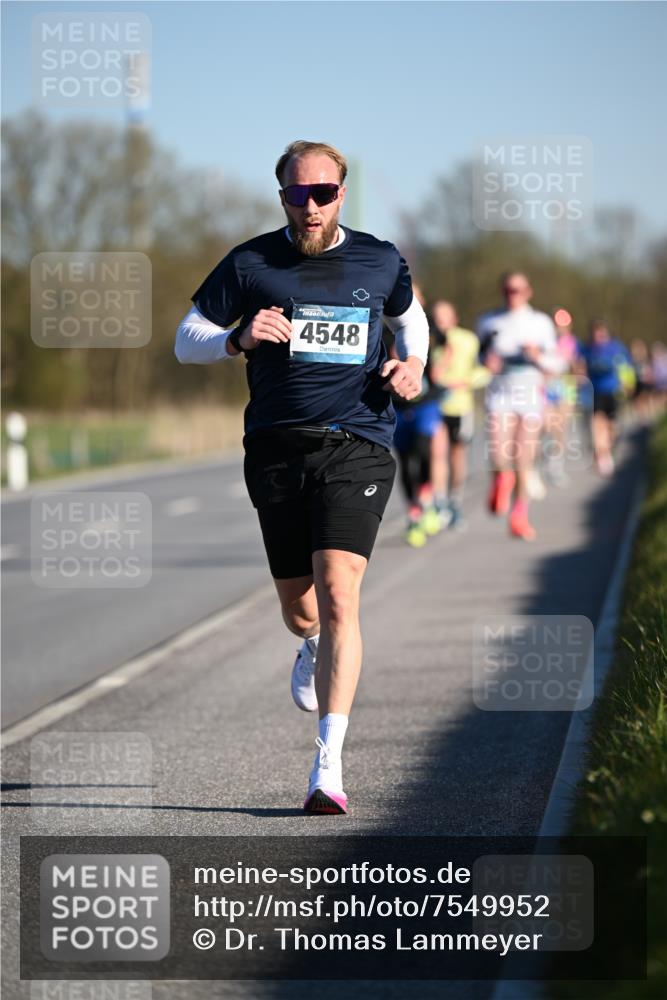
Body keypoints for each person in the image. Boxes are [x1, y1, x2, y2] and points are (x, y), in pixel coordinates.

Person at [175, 140, 429, 814]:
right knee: (302, 609)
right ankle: (310, 644)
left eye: (323, 193)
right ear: (281, 194)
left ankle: (328, 769)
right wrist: (236, 338)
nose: (310, 205)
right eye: (297, 194)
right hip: (276, 449)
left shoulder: (379, 258)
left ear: (342, 192)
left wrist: (414, 367)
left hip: (360, 442)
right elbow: (184, 337)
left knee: (341, 592)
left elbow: (412, 319)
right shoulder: (251, 262)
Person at [476, 272, 563, 541]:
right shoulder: (489, 320)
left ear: (528, 292)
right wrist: (486, 362)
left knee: (523, 460)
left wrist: (538, 357)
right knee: (499, 453)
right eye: (508, 290)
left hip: (529, 396)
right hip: (500, 395)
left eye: (517, 290)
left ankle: (519, 516)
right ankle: (502, 480)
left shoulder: (540, 323)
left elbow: (556, 364)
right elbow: (481, 355)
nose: (512, 294)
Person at [429, 300, 490, 530]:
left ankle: (455, 500)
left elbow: (484, 371)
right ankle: (439, 503)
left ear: (455, 317)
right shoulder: (430, 340)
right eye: (436, 316)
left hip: (461, 406)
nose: (440, 320)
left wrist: (465, 382)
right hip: (435, 407)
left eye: (444, 315)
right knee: (437, 453)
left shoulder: (468, 340)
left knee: (457, 455)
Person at [578, 321, 633, 476]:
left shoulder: (616, 348)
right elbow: (580, 366)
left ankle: (608, 448)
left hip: (613, 391)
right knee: (597, 425)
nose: (598, 337)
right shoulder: (588, 349)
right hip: (595, 392)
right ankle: (603, 455)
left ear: (607, 333)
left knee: (612, 428)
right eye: (595, 334)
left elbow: (626, 367)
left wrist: (627, 384)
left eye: (601, 333)